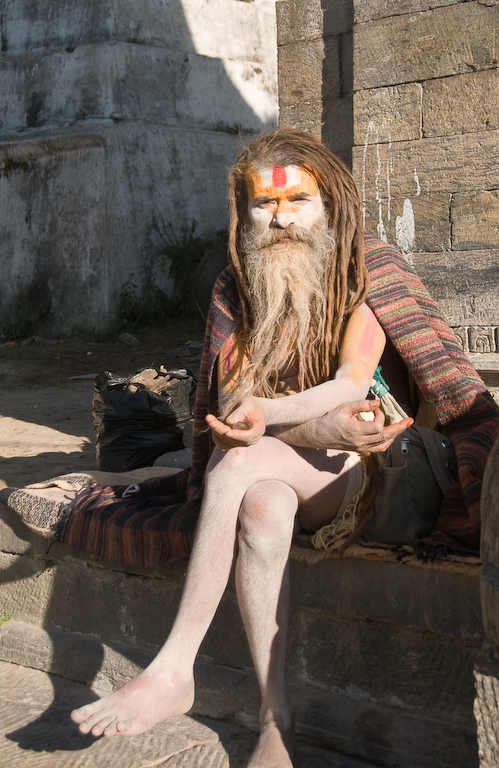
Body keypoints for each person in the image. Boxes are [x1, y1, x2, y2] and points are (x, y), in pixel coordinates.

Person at [70, 129, 499, 767]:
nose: (281, 217)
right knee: (260, 505)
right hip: (299, 472)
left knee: (240, 459)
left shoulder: (368, 271)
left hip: (394, 474)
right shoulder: (237, 290)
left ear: (332, 206)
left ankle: (174, 667)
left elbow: (349, 387)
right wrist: (295, 429)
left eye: (297, 200)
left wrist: (269, 419)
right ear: (242, 215)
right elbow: (237, 413)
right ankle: (277, 721)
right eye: (264, 206)